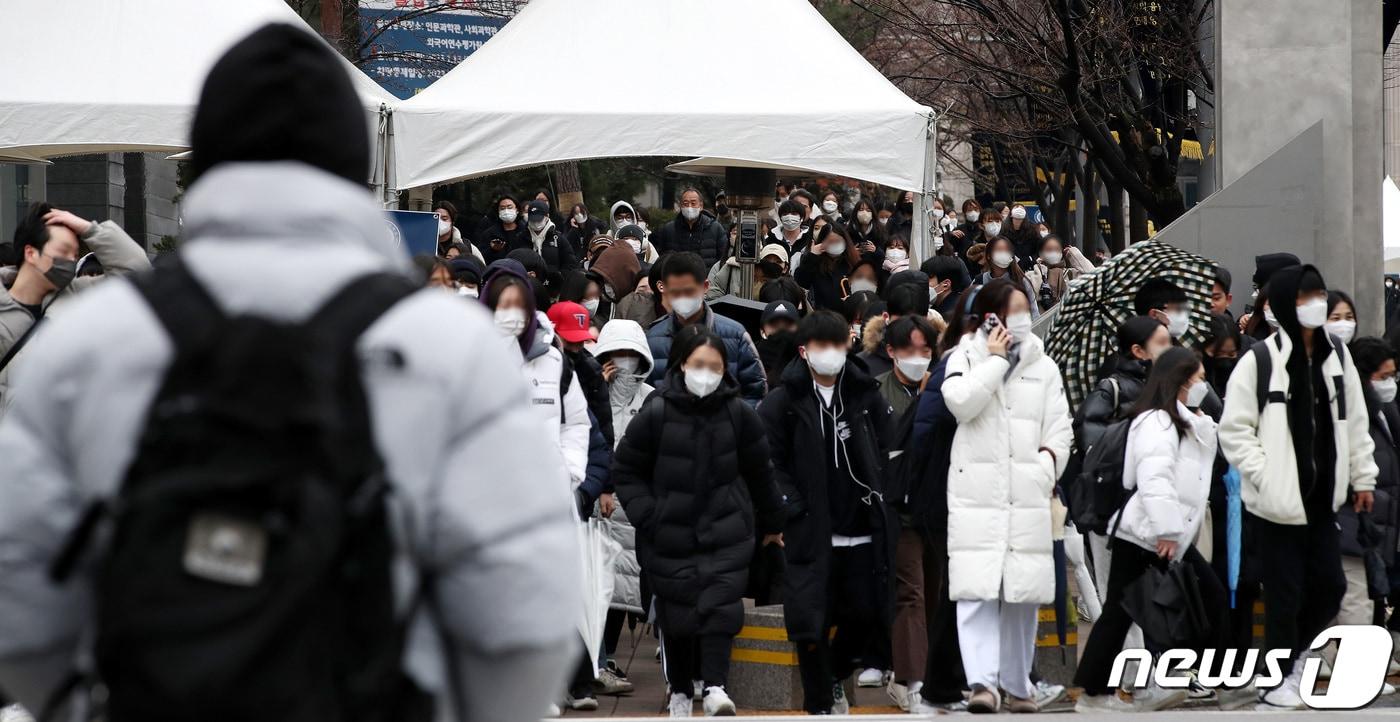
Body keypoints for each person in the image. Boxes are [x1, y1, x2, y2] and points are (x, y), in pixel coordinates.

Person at [0, 23, 579, 722]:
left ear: (206, 155)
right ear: (352, 160)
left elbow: (18, 583)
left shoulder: (90, 341)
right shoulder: (451, 347)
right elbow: (523, 613)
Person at [1219, 264, 1377, 710]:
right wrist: (1265, 475)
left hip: (1324, 499)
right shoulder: (1260, 360)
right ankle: (1279, 678)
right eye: (1307, 297)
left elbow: (1355, 421)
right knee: (1283, 594)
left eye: (1320, 295)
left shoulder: (1337, 356)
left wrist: (1362, 476)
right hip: (1276, 504)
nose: (1316, 305)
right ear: (1289, 304)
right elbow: (1234, 431)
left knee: (1330, 586)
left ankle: (1295, 659)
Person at [613, 325, 785, 718]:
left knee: (721, 608)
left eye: (715, 366)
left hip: (726, 530)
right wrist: (647, 513)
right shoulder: (656, 411)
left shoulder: (740, 415)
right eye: (698, 364)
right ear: (681, 365)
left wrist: (773, 522)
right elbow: (626, 469)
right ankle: (679, 689)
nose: (706, 373)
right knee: (678, 615)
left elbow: (761, 473)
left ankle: (715, 686)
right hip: (668, 533)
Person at [941, 278, 1071, 713]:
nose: (1022, 317)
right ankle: (982, 683)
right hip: (976, 493)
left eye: (1024, 309)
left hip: (1027, 491)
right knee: (976, 591)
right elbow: (960, 403)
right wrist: (995, 362)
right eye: (1013, 309)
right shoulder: (964, 355)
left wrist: (1045, 466)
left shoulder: (1044, 366)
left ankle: (1018, 685)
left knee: (1022, 593)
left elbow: (1060, 428)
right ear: (991, 316)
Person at [1073, 348, 1226, 713]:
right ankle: (1096, 692)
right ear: (1180, 382)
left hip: (1160, 533)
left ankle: (1095, 690)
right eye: (1198, 379)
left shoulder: (1183, 421)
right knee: (1206, 597)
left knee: (1120, 612)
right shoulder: (1157, 422)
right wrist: (1168, 531)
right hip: (1148, 533)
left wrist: (1201, 419)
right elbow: (1154, 478)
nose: (1204, 386)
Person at [758, 310, 896, 715]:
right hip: (811, 528)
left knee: (865, 615)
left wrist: (883, 493)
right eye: (822, 345)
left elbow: (888, 446)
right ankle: (819, 704)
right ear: (804, 351)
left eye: (838, 344)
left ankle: (835, 676)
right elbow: (769, 462)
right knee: (810, 623)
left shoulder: (864, 394)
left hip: (861, 527)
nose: (831, 353)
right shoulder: (783, 401)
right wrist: (792, 508)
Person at [0, 203, 150, 418]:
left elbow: (139, 276)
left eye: (75, 255)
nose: (70, 261)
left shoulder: (79, 297)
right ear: (31, 253)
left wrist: (90, 230)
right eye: (63, 251)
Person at [1327, 337, 1400, 676]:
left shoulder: (1382, 412)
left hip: (1370, 521)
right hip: (1352, 516)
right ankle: (1355, 671)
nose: (1390, 384)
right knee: (1355, 595)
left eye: (1393, 376)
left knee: (1353, 594)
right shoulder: (1351, 416)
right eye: (1383, 376)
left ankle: (1329, 661)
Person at [645, 252, 766, 405]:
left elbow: (756, 391)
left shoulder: (735, 335)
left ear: (705, 287)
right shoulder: (653, 339)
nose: (682, 298)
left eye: (689, 291)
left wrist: (735, 417)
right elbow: (645, 394)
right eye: (675, 292)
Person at [875, 315, 934, 419]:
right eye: (910, 351)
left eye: (925, 351)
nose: (918, 359)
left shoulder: (941, 386)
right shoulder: (877, 391)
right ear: (891, 351)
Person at [652, 188, 727, 267]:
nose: (689, 207)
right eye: (686, 203)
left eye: (693, 203)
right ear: (681, 206)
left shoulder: (715, 228)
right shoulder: (669, 230)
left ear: (701, 206)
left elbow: (723, 258)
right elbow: (661, 259)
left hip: (707, 274)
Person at [794, 224, 860, 312]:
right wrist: (812, 256)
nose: (834, 244)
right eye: (830, 241)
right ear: (822, 242)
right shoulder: (815, 262)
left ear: (845, 241)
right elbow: (801, 281)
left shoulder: (853, 261)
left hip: (851, 313)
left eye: (837, 241)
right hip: (824, 315)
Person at [974, 236, 1039, 320]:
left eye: (1007, 250)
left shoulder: (1021, 280)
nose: (1003, 253)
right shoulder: (979, 281)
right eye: (999, 250)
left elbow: (1034, 312)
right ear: (989, 255)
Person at [1023, 235, 1091, 310]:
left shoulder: (1071, 273)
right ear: (1040, 253)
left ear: (1062, 253)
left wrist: (1075, 254)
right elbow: (1030, 299)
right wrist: (1039, 269)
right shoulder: (1032, 275)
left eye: (1057, 249)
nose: (1053, 253)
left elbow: (1095, 277)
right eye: (1049, 250)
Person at [513, 200, 578, 276]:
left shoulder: (558, 238)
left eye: (539, 219)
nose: (536, 223)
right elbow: (514, 263)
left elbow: (570, 264)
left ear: (547, 216)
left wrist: (558, 276)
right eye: (533, 220)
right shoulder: (521, 238)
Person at [706, 242, 789, 301]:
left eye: (778, 262)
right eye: (767, 260)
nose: (771, 264)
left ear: (785, 267)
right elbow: (715, 291)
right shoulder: (732, 268)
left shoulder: (788, 288)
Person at [755, 299, 801, 390]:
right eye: (774, 326)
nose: (781, 331)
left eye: (788, 325)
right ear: (762, 331)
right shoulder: (752, 356)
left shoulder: (804, 358)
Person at [475, 194, 528, 265]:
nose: (506, 211)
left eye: (509, 207)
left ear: (517, 210)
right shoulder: (489, 234)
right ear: (498, 212)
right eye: (502, 208)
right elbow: (480, 258)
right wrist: (493, 250)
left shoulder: (526, 232)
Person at [848, 198, 888, 265]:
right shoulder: (849, 231)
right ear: (855, 213)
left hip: (874, 267)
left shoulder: (880, 231)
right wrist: (852, 252)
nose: (864, 212)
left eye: (868, 210)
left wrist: (875, 250)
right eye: (861, 210)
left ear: (872, 213)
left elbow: (885, 254)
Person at [1003, 203, 1038, 268]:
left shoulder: (1032, 229)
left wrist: (1031, 258)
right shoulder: (1004, 229)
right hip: (1009, 265)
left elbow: (1038, 247)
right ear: (1011, 213)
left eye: (1022, 208)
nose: (1019, 209)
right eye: (1016, 207)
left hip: (1029, 265)